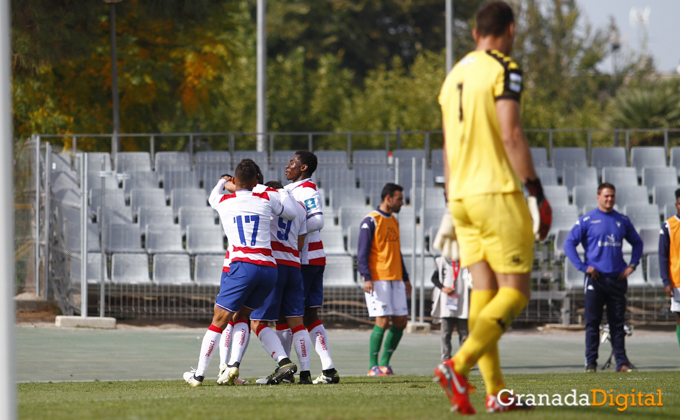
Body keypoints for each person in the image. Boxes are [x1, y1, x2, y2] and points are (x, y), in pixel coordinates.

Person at [433, 1, 552, 414]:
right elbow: (511, 133)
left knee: (483, 292)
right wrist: (535, 189)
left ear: (473, 33)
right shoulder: (505, 67)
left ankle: (497, 392)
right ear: (511, 29)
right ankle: (457, 365)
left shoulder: (453, 77)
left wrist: (452, 200)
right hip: (495, 194)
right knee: (516, 293)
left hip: (461, 197)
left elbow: (448, 146)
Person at [182, 159, 297, 387]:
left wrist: (222, 182)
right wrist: (267, 189)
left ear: (234, 181)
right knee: (243, 316)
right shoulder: (265, 197)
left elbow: (213, 195)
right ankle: (233, 364)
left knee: (218, 321)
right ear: (256, 181)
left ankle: (199, 375)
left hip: (243, 265)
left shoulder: (224, 200)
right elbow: (291, 212)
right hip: (269, 269)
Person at [563, 182, 642, 373]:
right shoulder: (587, 220)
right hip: (595, 280)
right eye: (606, 196)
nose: (609, 199)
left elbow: (637, 243)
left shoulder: (622, 220)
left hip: (617, 280)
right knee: (592, 323)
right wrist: (583, 267)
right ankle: (591, 363)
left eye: (612, 196)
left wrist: (632, 265)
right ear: (598, 197)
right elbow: (569, 244)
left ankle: (621, 363)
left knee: (618, 324)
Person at [251, 180, 315, 385]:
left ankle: (283, 363)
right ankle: (305, 373)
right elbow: (301, 243)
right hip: (294, 267)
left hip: (275, 266)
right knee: (297, 323)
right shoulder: (300, 207)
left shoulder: (266, 203)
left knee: (257, 322)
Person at [284, 151, 340, 384]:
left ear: (304, 168)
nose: (288, 166)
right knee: (309, 316)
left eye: (293, 163)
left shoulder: (306, 190)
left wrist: (296, 231)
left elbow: (317, 219)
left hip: (306, 260)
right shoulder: (295, 189)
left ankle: (287, 372)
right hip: (314, 258)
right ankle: (328, 369)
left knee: (291, 315)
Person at [357, 183, 412, 376]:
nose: (402, 203)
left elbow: (397, 251)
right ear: (388, 198)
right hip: (378, 278)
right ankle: (373, 366)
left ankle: (384, 364)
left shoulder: (394, 220)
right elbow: (362, 252)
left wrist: (405, 278)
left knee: (401, 321)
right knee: (382, 320)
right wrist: (366, 277)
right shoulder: (371, 220)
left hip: (396, 278)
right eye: (399, 199)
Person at [431, 257, 470, 362]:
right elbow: (434, 278)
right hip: (447, 303)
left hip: (463, 303)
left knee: (464, 334)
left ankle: (464, 360)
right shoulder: (442, 261)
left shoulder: (468, 260)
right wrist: (443, 288)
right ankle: (446, 358)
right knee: (446, 333)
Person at [658, 188, 680, 351]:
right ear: (676, 204)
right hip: (677, 280)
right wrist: (666, 281)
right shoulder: (669, 226)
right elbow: (663, 256)